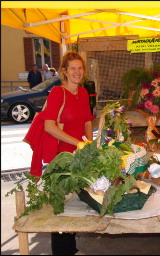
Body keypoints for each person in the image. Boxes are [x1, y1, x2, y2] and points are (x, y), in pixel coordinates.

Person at [43, 51, 94, 255]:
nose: (77, 72)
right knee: (61, 206)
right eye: (73, 68)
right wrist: (77, 143)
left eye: (80, 68)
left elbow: (87, 121)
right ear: (64, 71)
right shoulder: (57, 93)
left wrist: (88, 143)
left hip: (79, 158)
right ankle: (62, 252)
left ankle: (71, 249)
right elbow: (49, 126)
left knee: (76, 205)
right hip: (61, 158)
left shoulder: (82, 93)